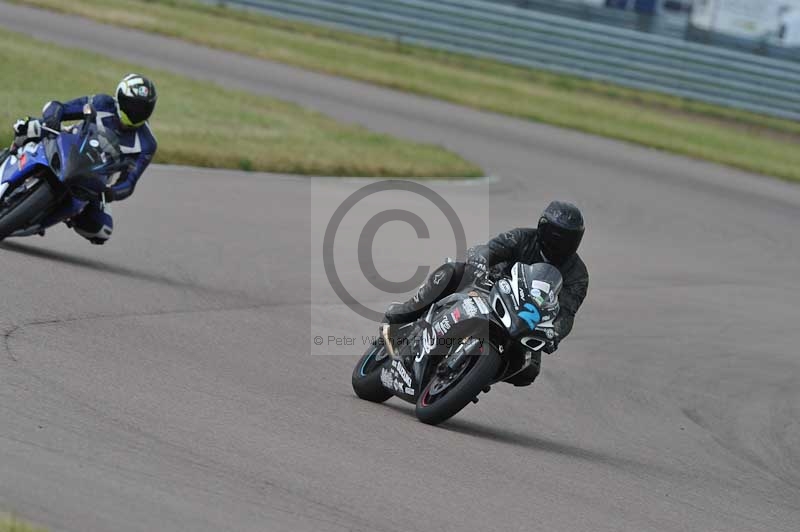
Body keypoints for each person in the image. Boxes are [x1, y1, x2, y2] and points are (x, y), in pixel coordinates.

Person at [382, 201, 589, 387]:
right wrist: (480, 260)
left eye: (565, 239)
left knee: (528, 370)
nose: (558, 243)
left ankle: (471, 375)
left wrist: (555, 334)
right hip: (490, 289)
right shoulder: (522, 237)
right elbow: (492, 249)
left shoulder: (578, 274)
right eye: (553, 234)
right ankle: (405, 312)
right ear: (542, 228)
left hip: (525, 321)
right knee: (454, 271)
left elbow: (567, 312)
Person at [5, 74, 158, 244]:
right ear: (120, 97)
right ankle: (9, 155)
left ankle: (58, 214)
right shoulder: (102, 103)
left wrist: (111, 193)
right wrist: (53, 119)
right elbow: (59, 107)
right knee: (26, 126)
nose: (135, 112)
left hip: (95, 177)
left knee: (101, 230)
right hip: (68, 144)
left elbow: (129, 182)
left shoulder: (146, 144)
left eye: (143, 109)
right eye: (132, 105)